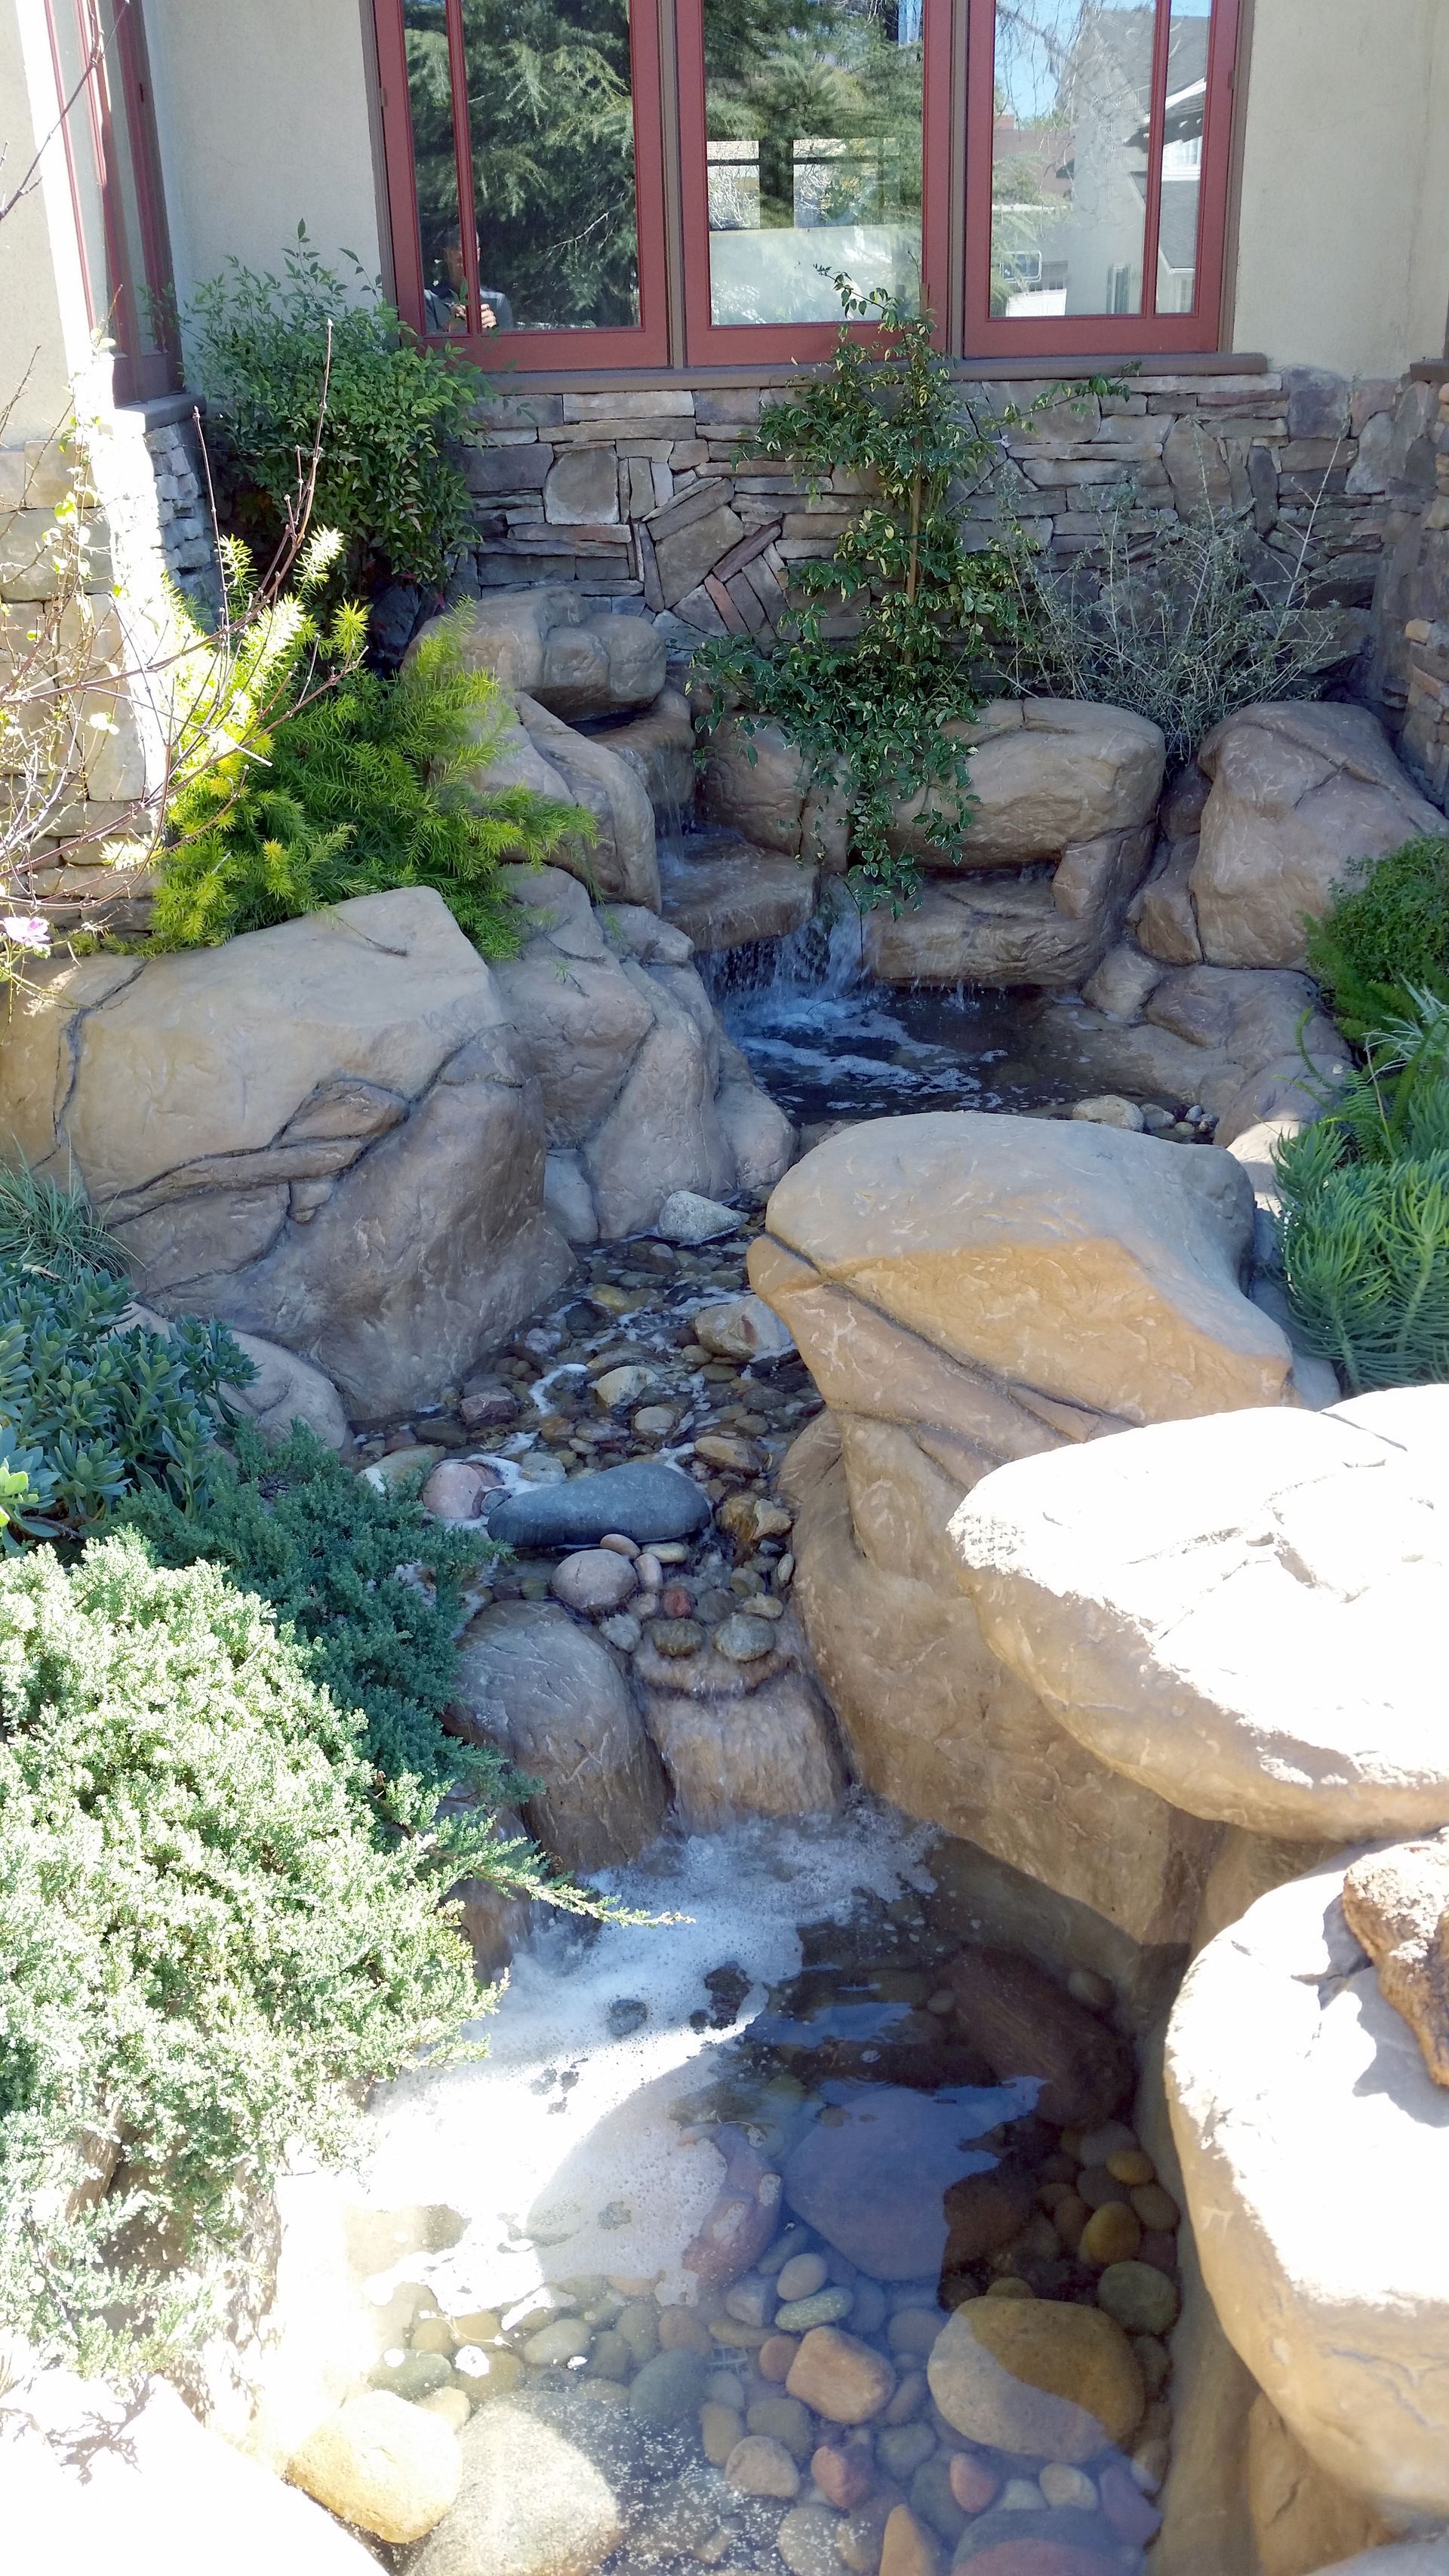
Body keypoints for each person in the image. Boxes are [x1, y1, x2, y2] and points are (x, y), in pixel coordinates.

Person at [423, 229, 513, 333]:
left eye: (470, 259)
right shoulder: (430, 300)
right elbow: (425, 347)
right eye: (460, 260)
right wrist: (450, 328)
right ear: (447, 255)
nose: (466, 266)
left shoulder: (497, 301)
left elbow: (510, 347)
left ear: (478, 255)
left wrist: (493, 330)